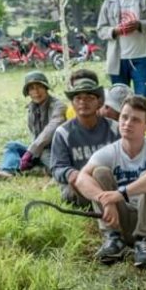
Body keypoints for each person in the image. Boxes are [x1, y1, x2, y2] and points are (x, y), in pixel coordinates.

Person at [75, 96, 146, 268]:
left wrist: (120, 194)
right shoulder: (110, 151)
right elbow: (81, 178)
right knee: (99, 173)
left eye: (135, 120)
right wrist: (104, 199)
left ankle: (144, 242)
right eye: (124, 117)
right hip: (121, 219)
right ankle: (114, 239)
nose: (127, 123)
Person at [0, 71, 66, 181]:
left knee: (55, 165)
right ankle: (8, 171)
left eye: (39, 87)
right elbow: (34, 135)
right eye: (32, 88)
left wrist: (30, 152)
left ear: (46, 88)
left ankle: (34, 170)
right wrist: (30, 153)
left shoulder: (58, 106)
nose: (36, 92)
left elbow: (51, 130)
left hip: (53, 150)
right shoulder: (31, 108)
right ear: (28, 92)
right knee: (12, 145)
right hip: (36, 150)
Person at [50, 78, 119, 206]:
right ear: (72, 104)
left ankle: (107, 205)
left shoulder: (115, 128)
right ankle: (104, 205)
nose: (83, 102)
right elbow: (57, 167)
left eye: (89, 98)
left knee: (102, 173)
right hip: (79, 187)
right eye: (78, 98)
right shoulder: (63, 133)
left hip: (111, 182)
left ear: (99, 102)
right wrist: (71, 173)